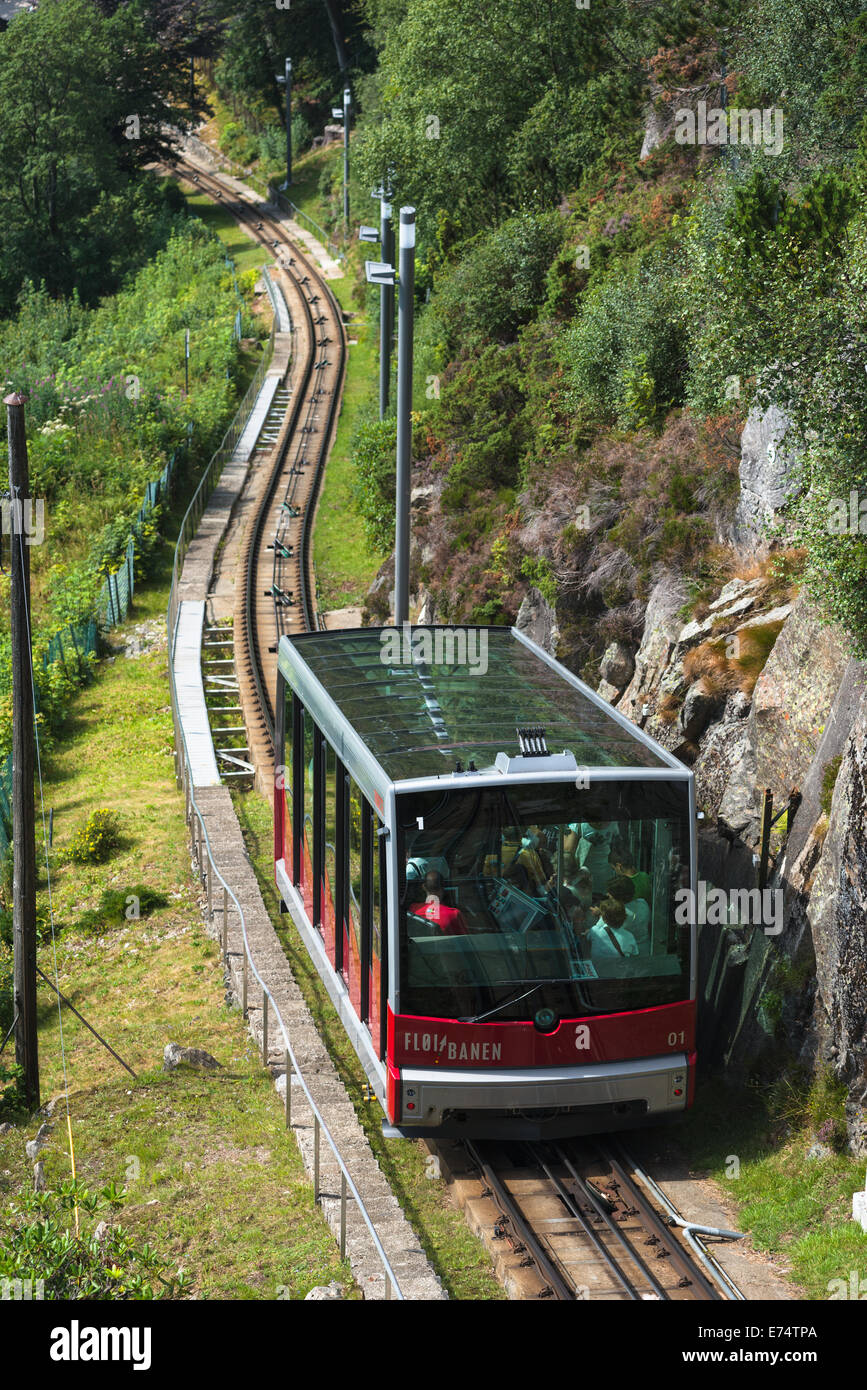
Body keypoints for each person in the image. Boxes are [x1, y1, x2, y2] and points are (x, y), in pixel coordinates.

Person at [408, 870, 468, 936]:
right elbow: (465, 940)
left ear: (424, 887)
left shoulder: (412, 910)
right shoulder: (454, 914)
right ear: (443, 888)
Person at [585, 896, 638, 965]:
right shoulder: (629, 936)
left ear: (603, 918)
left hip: (599, 971)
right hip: (620, 973)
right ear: (624, 917)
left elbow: (588, 938)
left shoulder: (595, 931)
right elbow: (635, 954)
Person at [605, 873, 651, 951]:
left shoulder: (617, 913)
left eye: (610, 894)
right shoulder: (643, 903)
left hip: (627, 950)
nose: (607, 895)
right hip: (646, 947)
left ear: (617, 897)